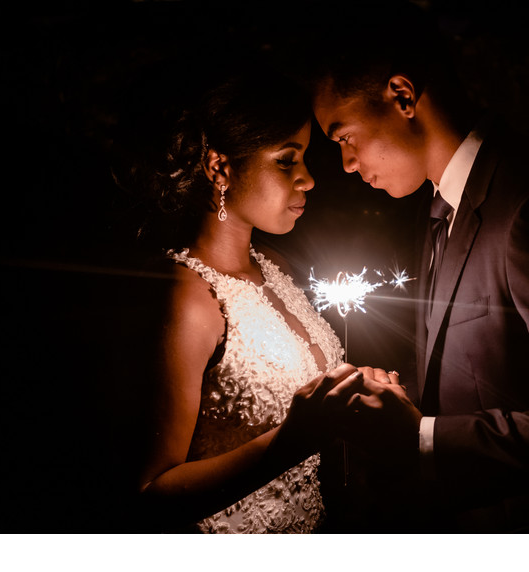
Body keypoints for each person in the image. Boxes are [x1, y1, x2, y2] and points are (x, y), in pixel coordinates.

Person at [308, 2, 529, 532]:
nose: (347, 164)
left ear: (402, 97)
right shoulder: (439, 208)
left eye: (344, 137)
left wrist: (421, 439)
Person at [111, 61, 371, 533]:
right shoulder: (188, 298)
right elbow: (148, 493)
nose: (308, 179)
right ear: (220, 166)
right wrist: (292, 440)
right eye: (287, 160)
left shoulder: (277, 267)